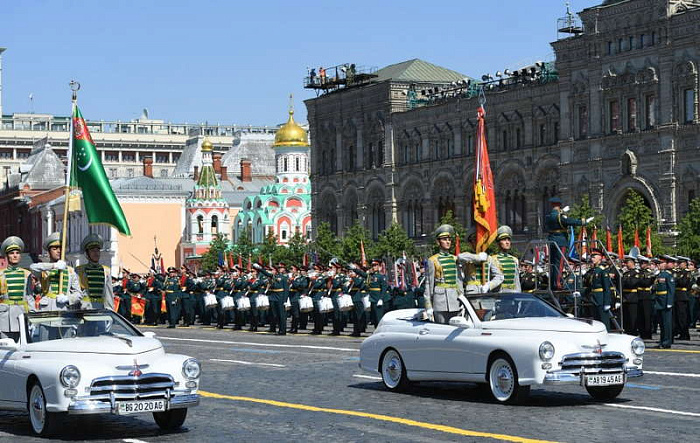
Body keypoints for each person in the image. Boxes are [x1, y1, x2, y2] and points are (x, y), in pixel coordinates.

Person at [424, 224, 491, 324]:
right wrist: (428, 306)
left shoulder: (455, 259)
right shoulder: (432, 260)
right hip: (440, 302)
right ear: (438, 242)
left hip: (455, 301)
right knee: (441, 331)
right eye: (444, 239)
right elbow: (429, 285)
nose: (448, 242)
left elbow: (459, 281)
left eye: (449, 239)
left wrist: (462, 298)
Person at [545, 197, 592, 289]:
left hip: (551, 241)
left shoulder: (549, 216)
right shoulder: (560, 217)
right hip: (561, 241)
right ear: (559, 205)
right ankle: (558, 283)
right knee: (560, 263)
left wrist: (561, 212)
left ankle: (552, 283)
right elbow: (569, 221)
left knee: (552, 263)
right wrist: (583, 222)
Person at [30, 232, 82, 311]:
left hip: (64, 309)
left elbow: (78, 294)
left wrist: (68, 298)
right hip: (47, 309)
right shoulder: (45, 270)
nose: (58, 251)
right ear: (49, 252)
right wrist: (54, 266)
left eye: (61, 248)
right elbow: (33, 267)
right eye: (54, 249)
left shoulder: (70, 271)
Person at [75, 234, 114, 310]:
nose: (96, 253)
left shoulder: (106, 270)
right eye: (92, 251)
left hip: (101, 308)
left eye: (97, 250)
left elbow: (109, 294)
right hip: (85, 307)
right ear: (87, 253)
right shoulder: (79, 270)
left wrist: (109, 310)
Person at [462, 228, 503, 295]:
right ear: (470, 243)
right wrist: (477, 257)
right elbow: (460, 257)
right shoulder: (467, 257)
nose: (478, 243)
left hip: (486, 292)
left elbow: (499, 276)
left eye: (480, 240)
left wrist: (489, 285)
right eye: (475, 240)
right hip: (472, 292)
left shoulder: (489, 258)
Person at [0, 236, 35, 311]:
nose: (15, 255)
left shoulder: (27, 274)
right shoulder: (1, 274)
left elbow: (29, 296)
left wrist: (32, 310)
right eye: (12, 253)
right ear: (7, 256)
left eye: (17, 253)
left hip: (22, 310)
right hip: (5, 312)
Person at [255, 262, 289, 335]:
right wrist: (259, 268)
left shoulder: (283, 277)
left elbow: (286, 290)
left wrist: (285, 300)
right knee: (275, 314)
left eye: (273, 270)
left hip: (280, 297)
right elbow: (266, 273)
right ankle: (278, 329)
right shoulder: (273, 277)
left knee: (281, 315)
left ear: (276, 270)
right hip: (273, 296)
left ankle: (282, 330)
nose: (271, 271)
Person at [583, 249, 612, 331]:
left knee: (604, 321)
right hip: (594, 298)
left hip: (601, 298)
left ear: (600, 257)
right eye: (591, 257)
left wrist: (607, 302)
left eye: (594, 257)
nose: (592, 259)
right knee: (596, 321)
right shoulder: (595, 270)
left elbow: (606, 287)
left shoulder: (602, 270)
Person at [491, 226, 521, 292]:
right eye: (504, 240)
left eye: (508, 240)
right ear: (499, 243)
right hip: (499, 294)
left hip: (512, 293)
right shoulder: (493, 259)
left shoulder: (514, 260)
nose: (507, 242)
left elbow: (517, 281)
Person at [654, 256, 675, 348]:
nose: (659, 265)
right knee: (661, 324)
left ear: (665, 264)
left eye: (661, 263)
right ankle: (662, 341)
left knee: (666, 323)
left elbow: (671, 290)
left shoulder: (668, 275)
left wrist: (669, 302)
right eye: (659, 264)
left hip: (665, 301)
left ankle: (667, 342)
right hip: (659, 302)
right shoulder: (659, 275)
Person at [620, 255, 641, 335]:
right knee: (626, 318)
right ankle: (628, 331)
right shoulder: (625, 273)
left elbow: (631, 284)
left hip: (632, 297)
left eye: (627, 262)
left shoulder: (636, 273)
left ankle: (633, 332)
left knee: (633, 317)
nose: (626, 264)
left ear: (632, 263)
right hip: (625, 297)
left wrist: (625, 279)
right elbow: (621, 284)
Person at [636, 256, 655, 339]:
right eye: (641, 263)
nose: (641, 265)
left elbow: (646, 283)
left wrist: (637, 281)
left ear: (647, 264)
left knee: (647, 316)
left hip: (646, 295)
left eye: (643, 263)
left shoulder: (648, 272)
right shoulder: (639, 272)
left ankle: (647, 333)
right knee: (640, 316)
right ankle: (641, 332)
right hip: (639, 295)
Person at [673, 256, 691, 340]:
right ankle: (680, 332)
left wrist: (676, 279)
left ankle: (685, 334)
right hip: (677, 296)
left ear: (685, 264)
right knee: (677, 317)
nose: (679, 265)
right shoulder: (678, 272)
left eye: (681, 263)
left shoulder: (687, 273)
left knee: (683, 317)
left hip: (683, 296)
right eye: (679, 263)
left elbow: (683, 283)